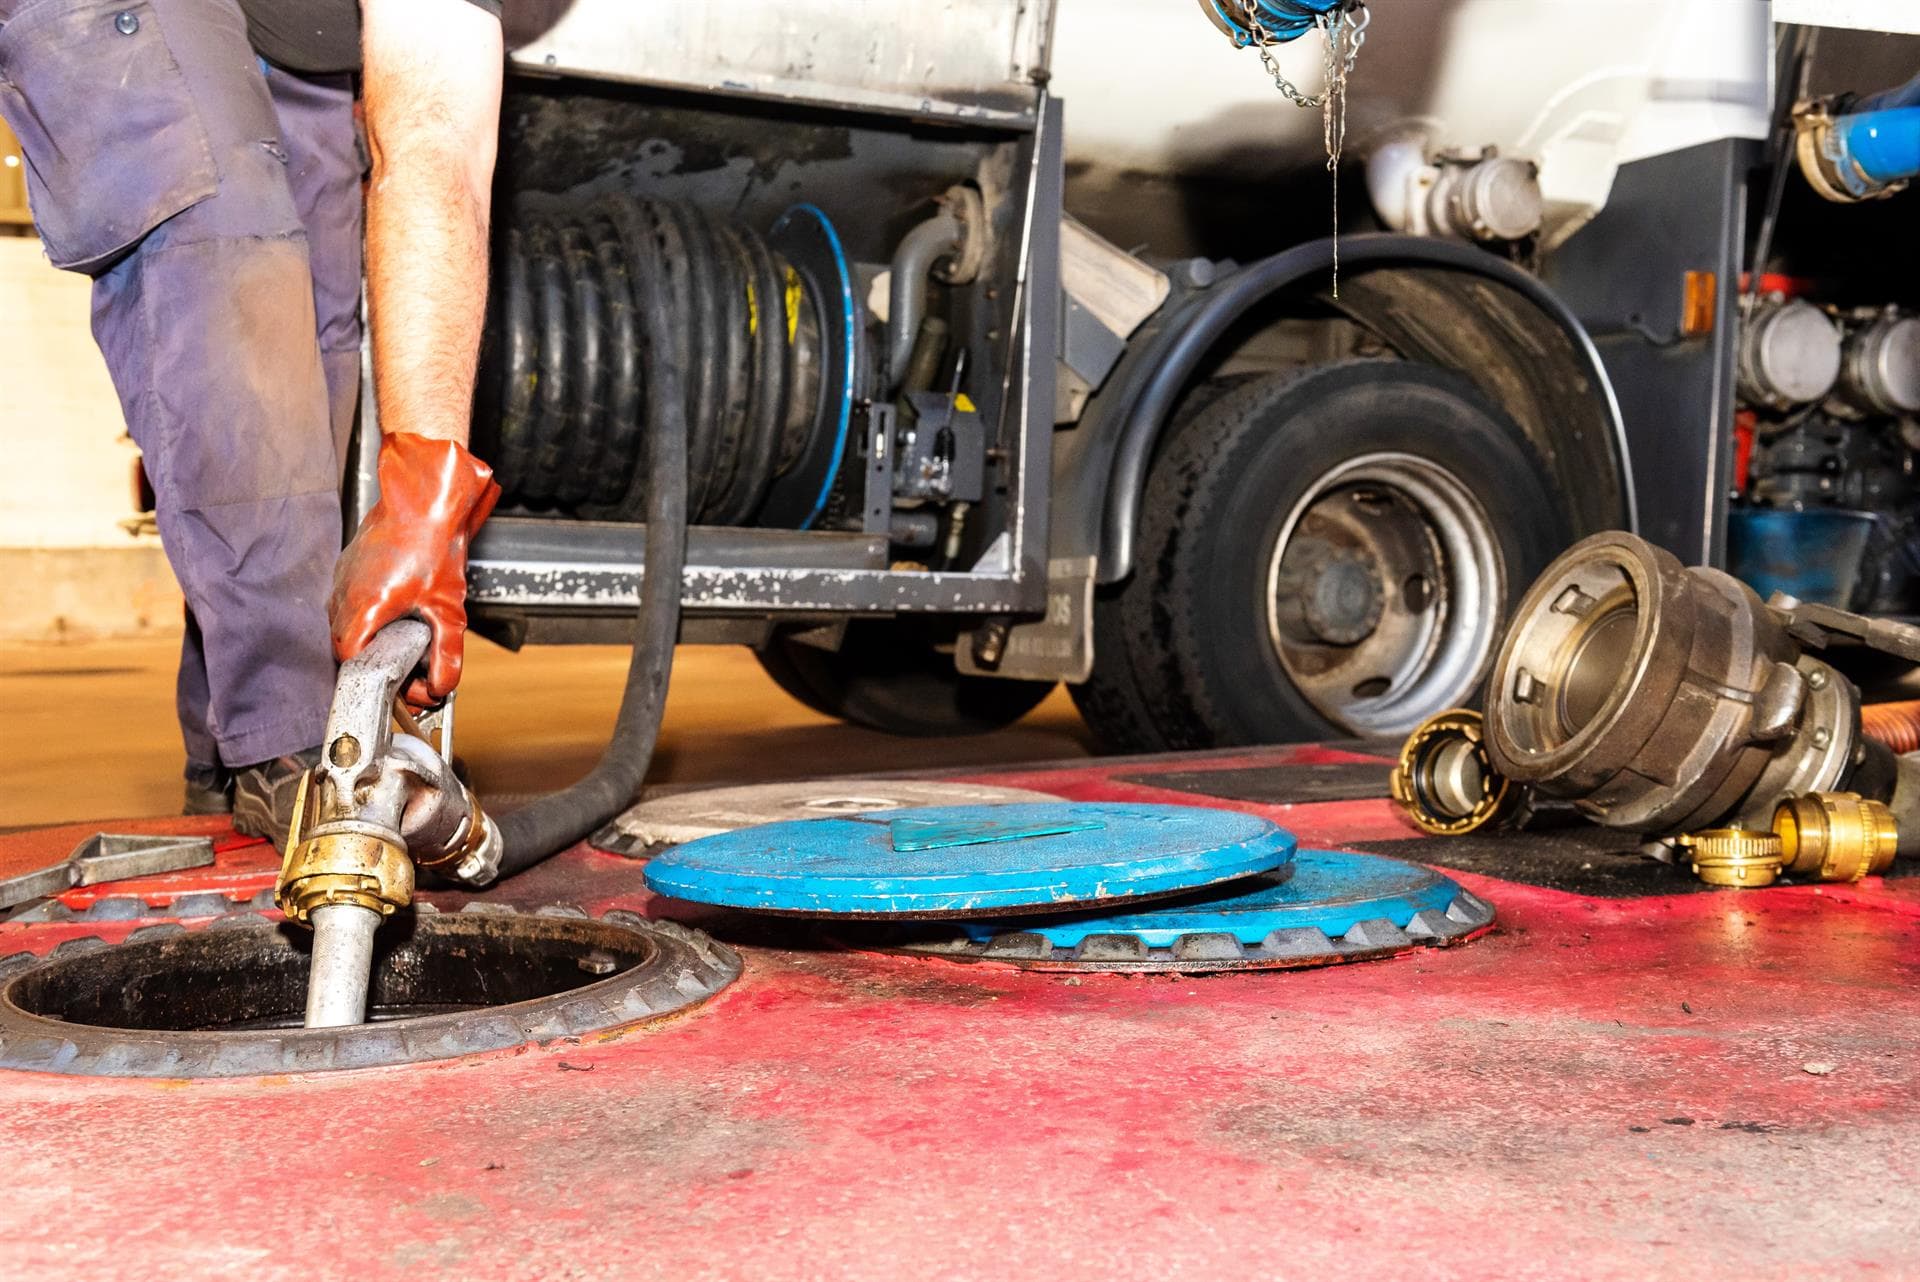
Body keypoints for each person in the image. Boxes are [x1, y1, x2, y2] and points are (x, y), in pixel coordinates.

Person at [0, 0, 505, 843]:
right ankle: (294, 735)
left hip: (296, 29)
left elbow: (435, 149)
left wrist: (428, 491)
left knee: (321, 336)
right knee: (227, 253)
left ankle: (230, 742)